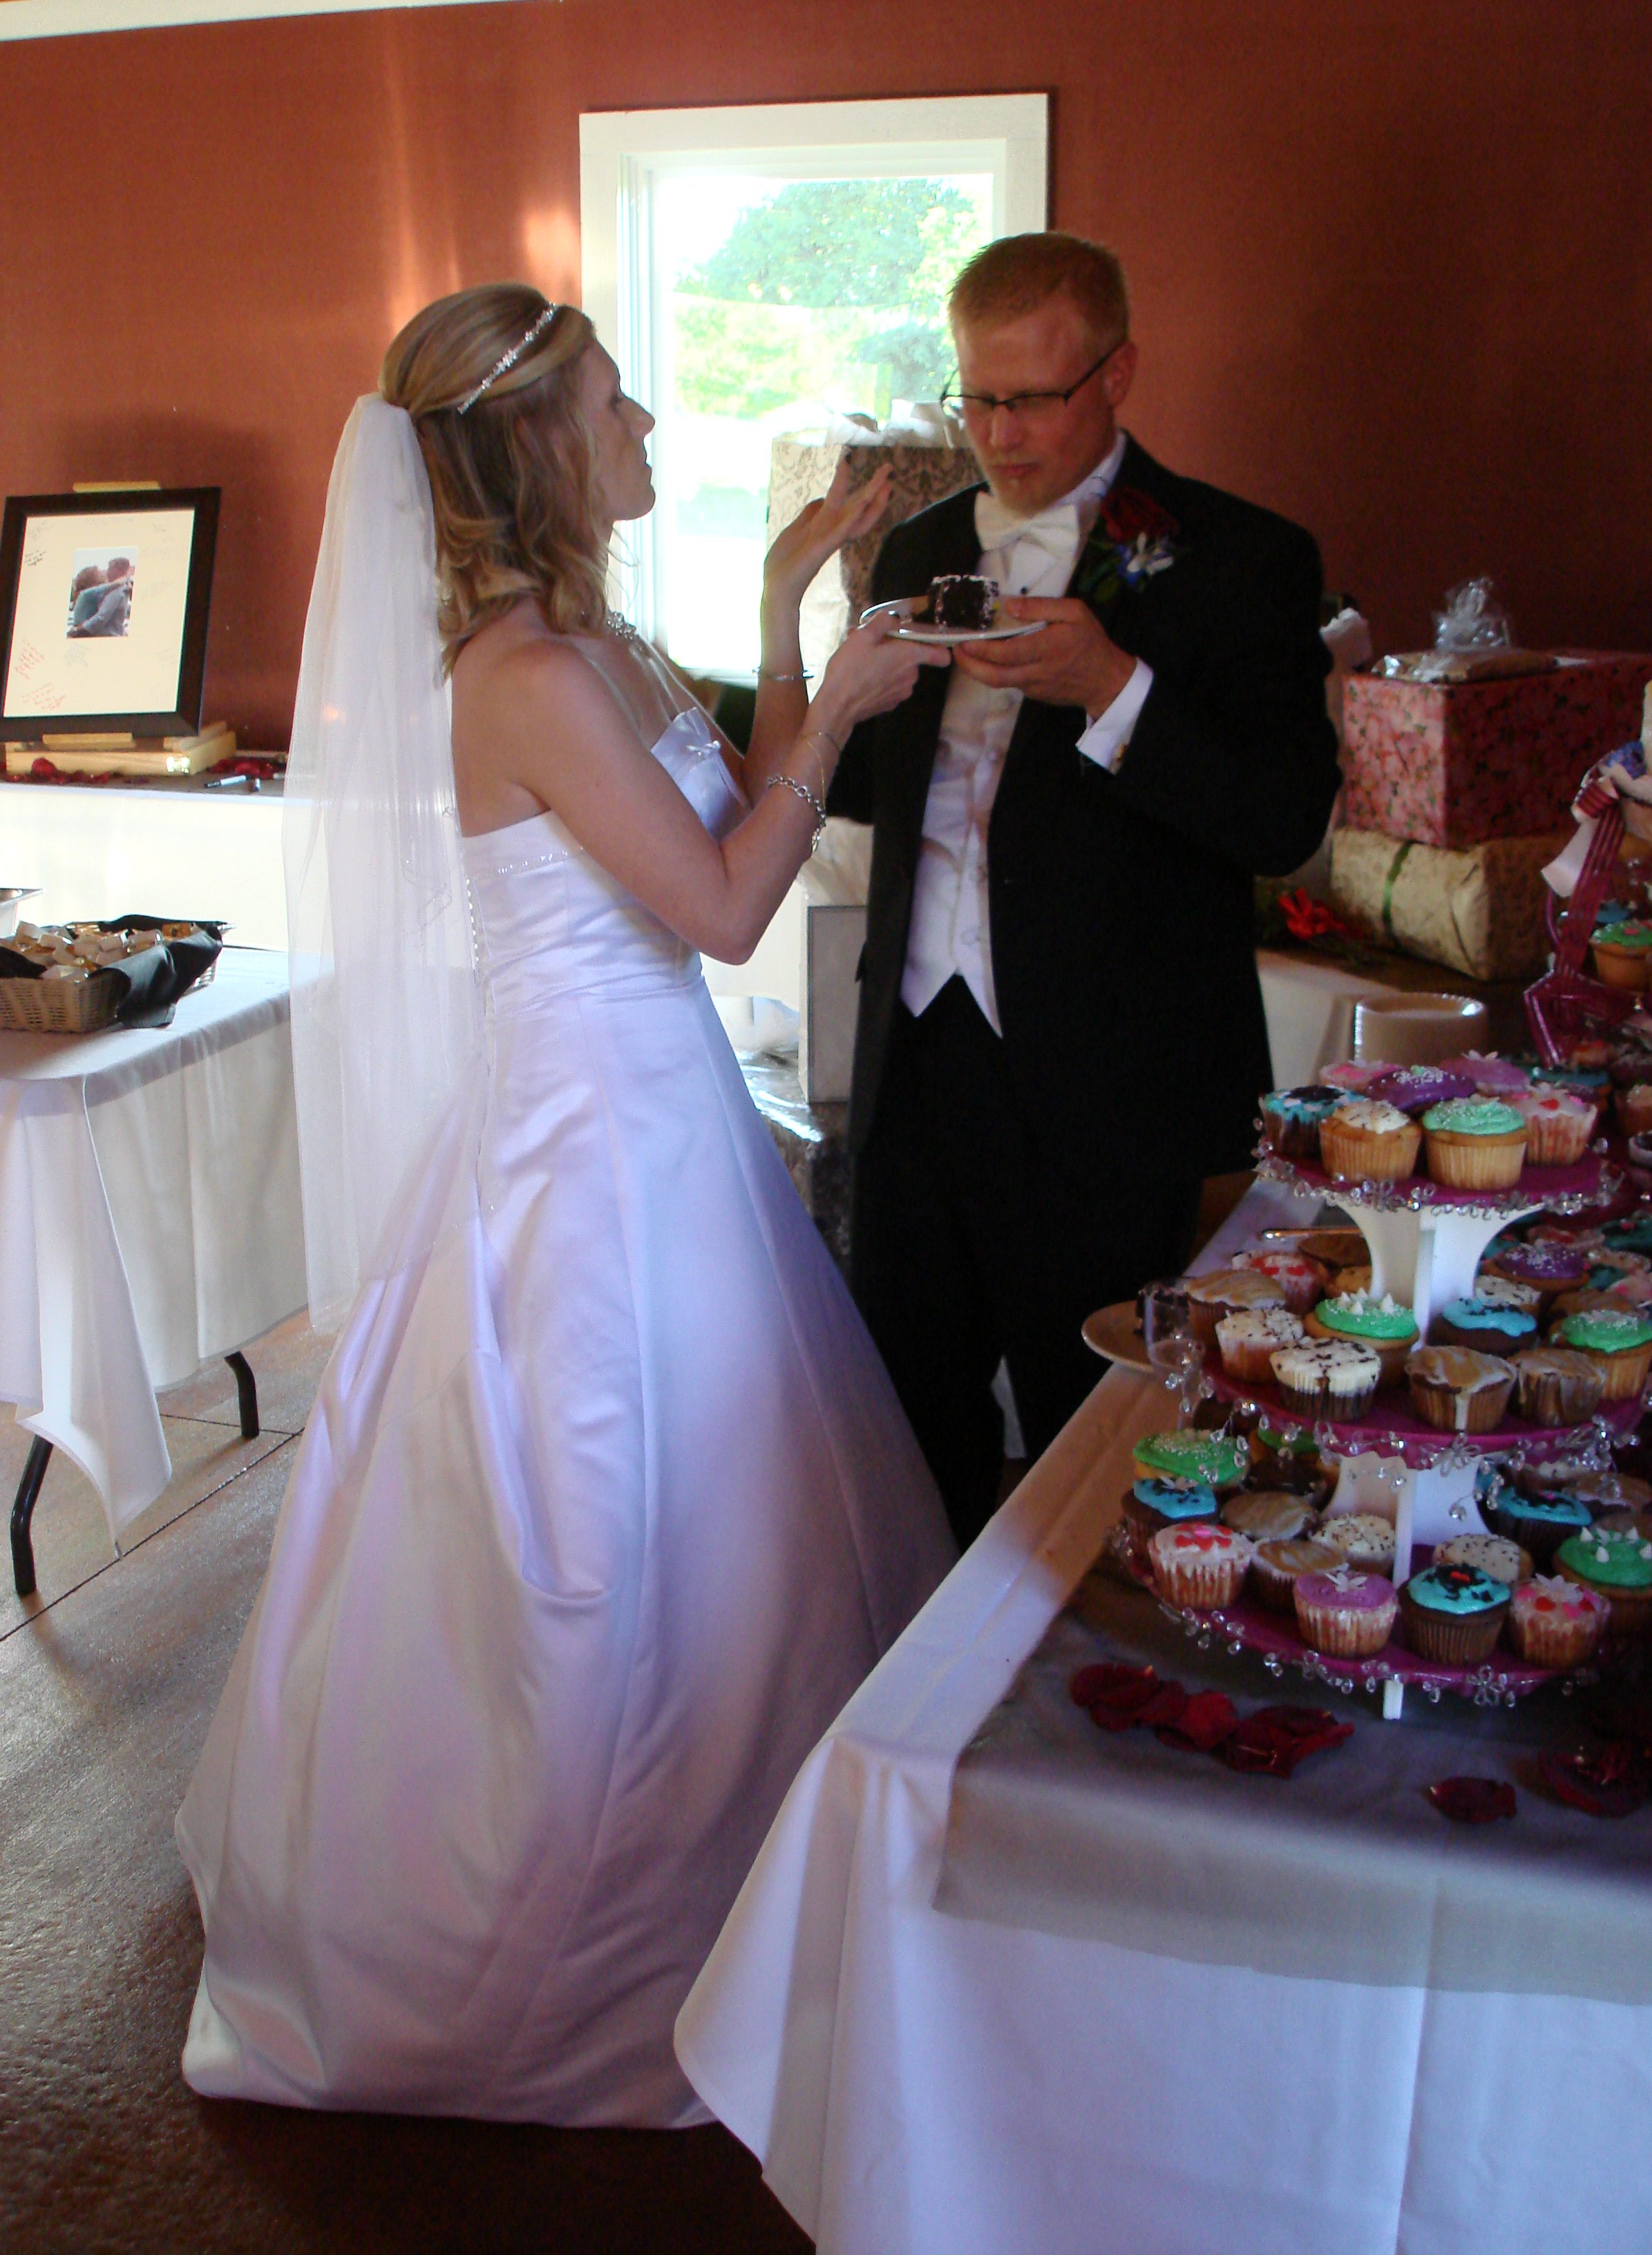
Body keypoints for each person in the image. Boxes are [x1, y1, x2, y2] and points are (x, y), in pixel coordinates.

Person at [174, 284, 956, 2128]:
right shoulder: (522, 678)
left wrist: (783, 615)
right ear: (533, 444)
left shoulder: (600, 641)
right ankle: (579, 1932)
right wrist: (847, 707)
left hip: (663, 1113)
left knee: (744, 1497)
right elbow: (726, 909)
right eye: (616, 400)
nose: (649, 425)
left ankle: (752, 1867)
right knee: (614, 1522)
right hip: (586, 1147)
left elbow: (733, 810)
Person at [828, 231, 1341, 1548]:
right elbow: (878, 784)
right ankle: (921, 1659)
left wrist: (1115, 689)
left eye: (1034, 398)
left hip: (1111, 1087)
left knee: (1105, 1439)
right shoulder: (915, 550)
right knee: (904, 1427)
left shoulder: (1240, 558)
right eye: (976, 397)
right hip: (914, 1063)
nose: (999, 434)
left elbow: (1284, 818)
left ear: (1117, 374)